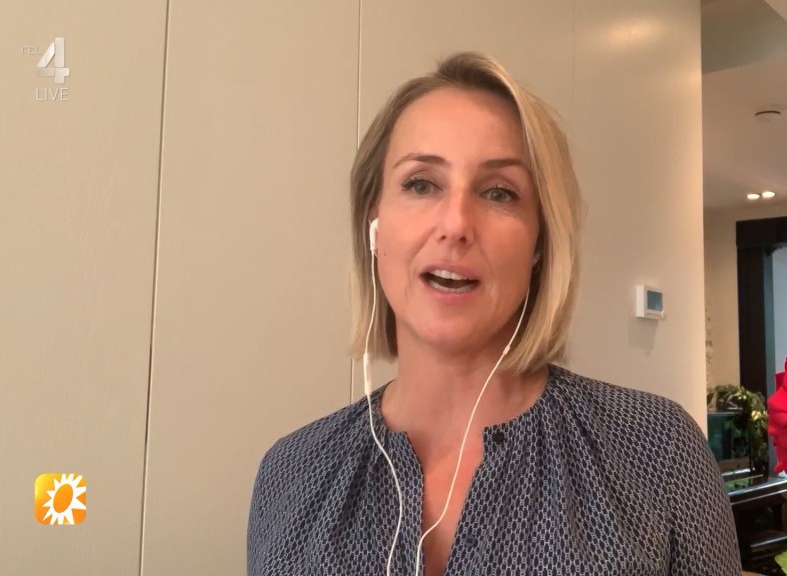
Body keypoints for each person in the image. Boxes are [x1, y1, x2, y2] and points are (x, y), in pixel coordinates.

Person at [247, 51, 740, 576]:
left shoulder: (658, 452)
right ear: (374, 222)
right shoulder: (290, 473)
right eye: (421, 184)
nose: (456, 224)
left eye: (499, 193)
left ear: (539, 243)